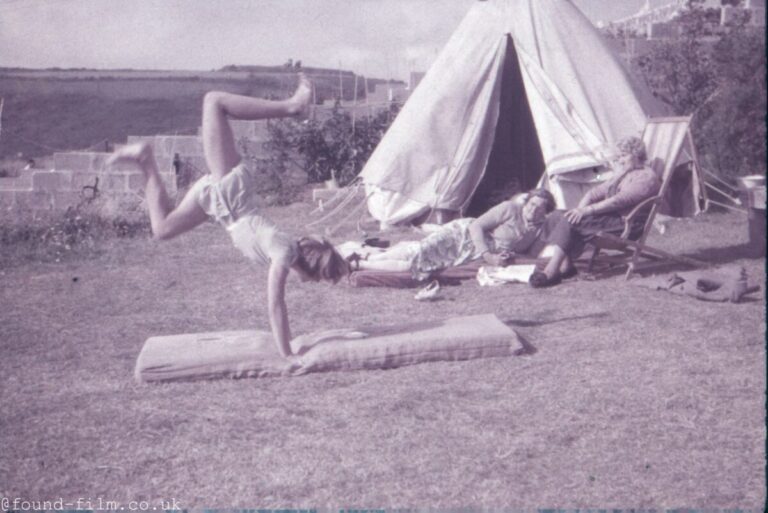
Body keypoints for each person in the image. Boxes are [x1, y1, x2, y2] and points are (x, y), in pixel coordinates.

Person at [107, 74, 348, 358]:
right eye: (320, 279)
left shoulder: (287, 252)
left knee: (162, 229)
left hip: (221, 208)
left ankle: (145, 159)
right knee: (214, 101)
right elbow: (275, 305)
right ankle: (292, 106)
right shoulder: (283, 253)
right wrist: (287, 356)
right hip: (231, 192)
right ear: (313, 273)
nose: (314, 284)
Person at [529, 136, 661, 288]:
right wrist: (579, 210)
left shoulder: (646, 178)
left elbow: (618, 201)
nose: (620, 160)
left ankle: (551, 272)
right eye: (618, 157)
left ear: (637, 154)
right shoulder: (624, 173)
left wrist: (585, 211)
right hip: (610, 219)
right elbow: (594, 193)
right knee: (557, 216)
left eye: (623, 155)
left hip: (626, 224)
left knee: (569, 220)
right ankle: (566, 266)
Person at [352, 189, 556, 280]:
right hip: (463, 235)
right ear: (526, 202)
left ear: (545, 212)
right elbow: (476, 226)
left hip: (471, 253)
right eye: (531, 204)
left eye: (539, 208)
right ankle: (363, 261)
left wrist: (506, 256)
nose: (533, 210)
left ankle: (364, 257)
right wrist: (487, 256)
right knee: (419, 253)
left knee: (420, 259)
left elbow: (527, 252)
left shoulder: (538, 228)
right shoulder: (510, 209)